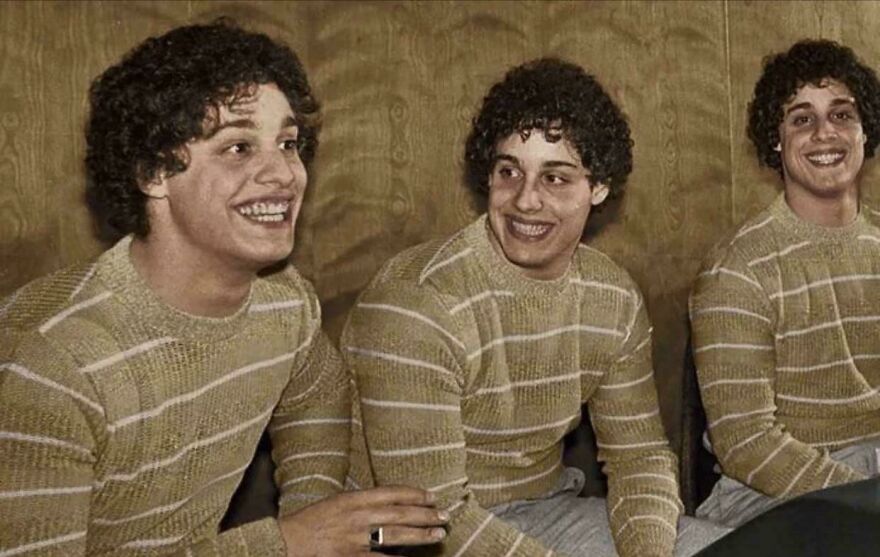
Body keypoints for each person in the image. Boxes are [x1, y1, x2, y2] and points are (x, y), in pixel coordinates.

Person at [0, 20, 447, 556]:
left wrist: (311, 515)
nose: (284, 173)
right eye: (238, 148)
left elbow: (320, 397)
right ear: (153, 173)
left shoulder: (284, 302)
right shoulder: (51, 364)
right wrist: (288, 544)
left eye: (288, 143)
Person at [342, 58, 729, 557]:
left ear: (600, 187)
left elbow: (638, 459)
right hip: (396, 539)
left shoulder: (612, 298)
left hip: (543, 512)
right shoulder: (417, 304)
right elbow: (433, 519)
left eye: (556, 178)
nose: (526, 201)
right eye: (509, 172)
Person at [690, 39, 880, 528]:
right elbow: (747, 445)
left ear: (865, 132)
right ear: (776, 140)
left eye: (842, 115)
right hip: (769, 492)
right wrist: (862, 499)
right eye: (801, 119)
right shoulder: (737, 268)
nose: (824, 133)